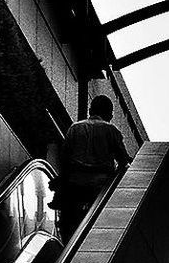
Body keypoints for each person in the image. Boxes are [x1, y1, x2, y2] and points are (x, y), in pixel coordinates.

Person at [55, 94, 130, 240]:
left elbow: (64, 158)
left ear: (90, 110)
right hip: (100, 185)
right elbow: (123, 160)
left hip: (75, 183)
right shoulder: (111, 130)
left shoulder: (74, 128)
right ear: (109, 113)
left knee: (70, 225)